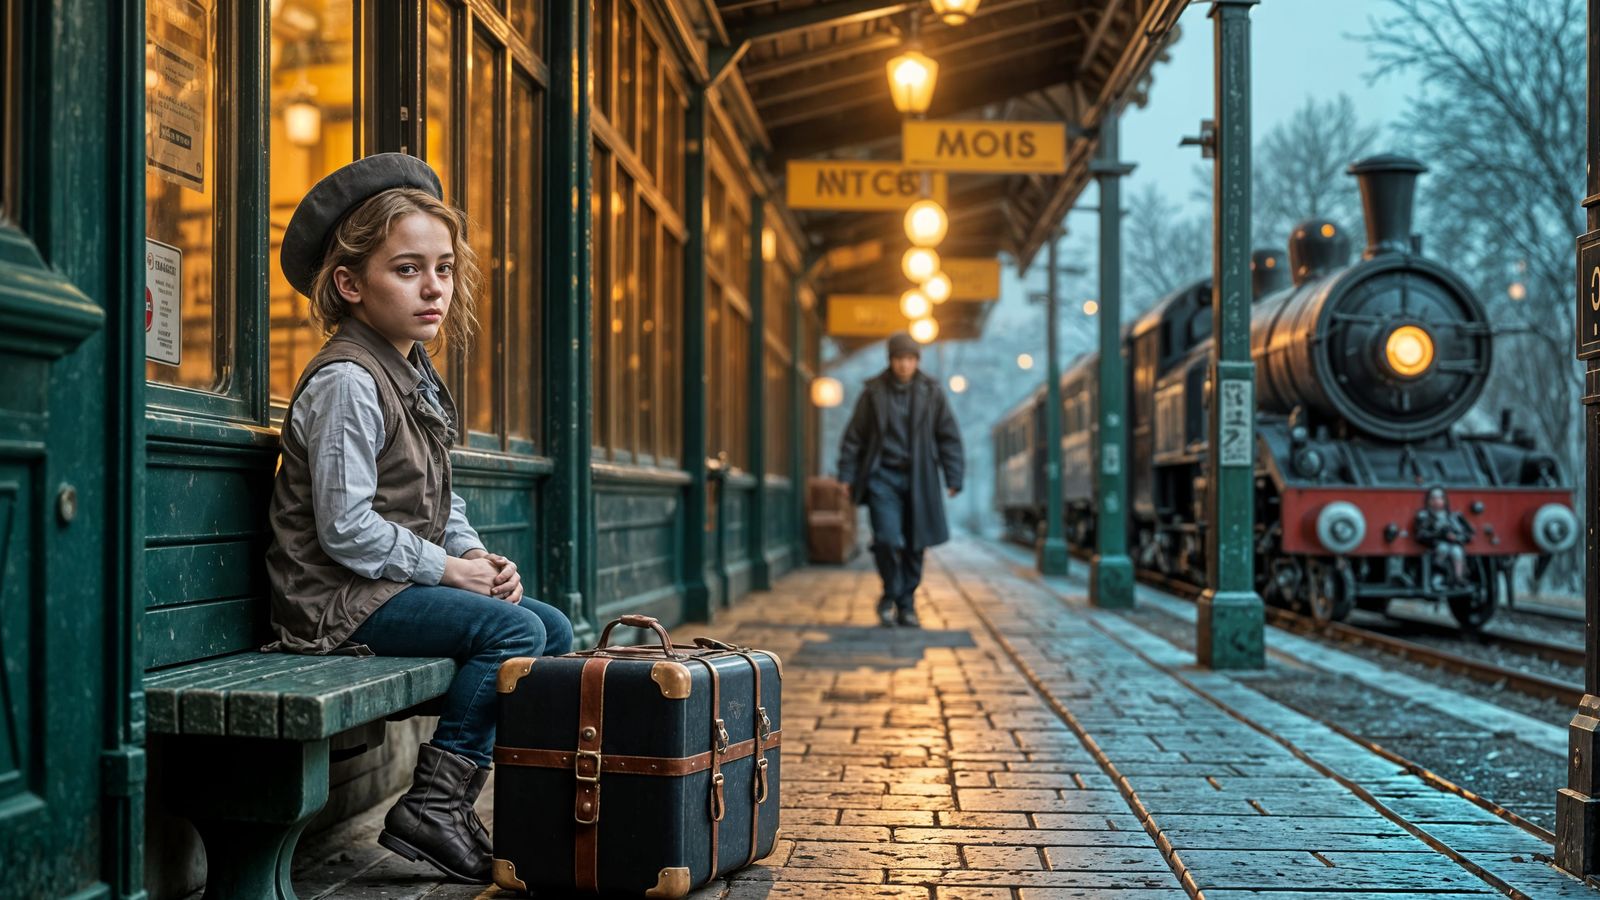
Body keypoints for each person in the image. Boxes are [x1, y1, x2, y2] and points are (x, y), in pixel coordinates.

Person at [264, 153, 573, 883]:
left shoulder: (410, 368)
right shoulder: (348, 380)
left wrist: (478, 560)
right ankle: (434, 805)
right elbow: (345, 528)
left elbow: (441, 495)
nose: (433, 287)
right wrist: (445, 570)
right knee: (515, 632)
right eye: (407, 270)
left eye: (443, 268)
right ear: (349, 284)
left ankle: (503, 801)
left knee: (549, 629)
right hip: (333, 603)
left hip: (383, 587)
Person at [837, 332, 965, 628]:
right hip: (882, 477)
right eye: (899, 359)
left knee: (915, 543)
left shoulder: (931, 392)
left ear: (917, 361)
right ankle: (892, 592)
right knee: (886, 538)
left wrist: (953, 475)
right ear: (891, 361)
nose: (904, 365)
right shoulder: (873, 392)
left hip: (920, 478)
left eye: (909, 359)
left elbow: (948, 437)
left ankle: (905, 604)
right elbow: (854, 438)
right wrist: (846, 474)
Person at [1414, 486, 1472, 587]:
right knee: (1442, 548)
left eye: (1439, 498)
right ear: (1428, 501)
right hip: (1435, 546)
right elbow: (1421, 534)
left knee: (1457, 551)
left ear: (1444, 500)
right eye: (1433, 498)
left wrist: (1456, 537)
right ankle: (1438, 575)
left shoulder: (1454, 516)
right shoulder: (1424, 516)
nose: (1436, 501)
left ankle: (1458, 577)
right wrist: (1438, 535)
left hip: (1453, 543)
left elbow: (1467, 533)